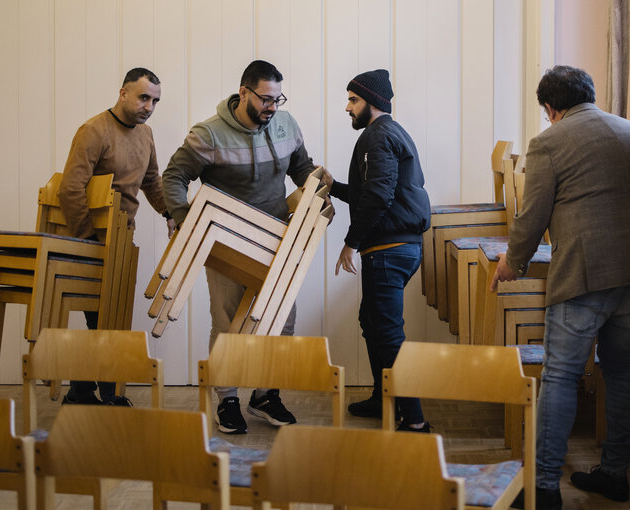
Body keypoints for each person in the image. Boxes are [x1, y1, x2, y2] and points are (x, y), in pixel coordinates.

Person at [492, 65, 630, 510]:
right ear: (588, 95)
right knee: (622, 369)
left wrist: (512, 263)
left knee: (560, 375)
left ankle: (545, 487)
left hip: (587, 275)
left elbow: (531, 216)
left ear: (551, 109)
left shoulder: (549, 142)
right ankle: (615, 474)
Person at [162, 60, 318, 434]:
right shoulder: (209, 134)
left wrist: (315, 187)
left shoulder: (286, 124)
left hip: (277, 238)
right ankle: (228, 399)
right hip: (225, 240)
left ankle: (265, 394)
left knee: (282, 321)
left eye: (278, 99)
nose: (272, 107)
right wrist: (182, 216)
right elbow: (175, 175)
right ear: (244, 92)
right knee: (228, 321)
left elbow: (302, 167)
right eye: (265, 99)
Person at [323, 69, 432, 432]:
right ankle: (383, 397)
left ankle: (414, 419)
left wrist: (350, 243)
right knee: (372, 321)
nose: (348, 108)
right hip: (398, 247)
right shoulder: (389, 133)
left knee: (386, 331)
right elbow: (374, 189)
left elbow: (379, 196)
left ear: (372, 102)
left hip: (389, 249)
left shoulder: (378, 135)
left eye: (353, 100)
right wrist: (334, 186)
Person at [59, 67, 175, 406]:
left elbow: (152, 182)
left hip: (125, 236)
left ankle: (80, 389)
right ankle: (108, 393)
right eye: (143, 97)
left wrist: (169, 212)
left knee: (110, 317)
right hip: (91, 241)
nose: (148, 106)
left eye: (154, 101)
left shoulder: (146, 134)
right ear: (123, 93)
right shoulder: (93, 131)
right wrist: (89, 241)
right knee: (103, 318)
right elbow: (71, 189)